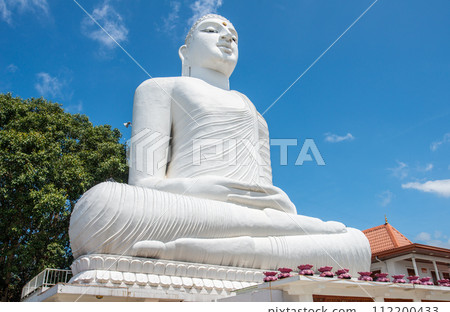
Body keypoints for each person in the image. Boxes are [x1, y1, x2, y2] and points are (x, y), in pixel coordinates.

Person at [69, 14, 370, 272]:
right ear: (185, 52)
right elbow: (144, 184)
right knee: (102, 206)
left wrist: (276, 206)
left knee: (355, 243)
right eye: (212, 30)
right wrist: (207, 190)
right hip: (188, 210)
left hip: (256, 216)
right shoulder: (160, 88)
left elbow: (265, 192)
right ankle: (279, 245)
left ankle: (203, 249)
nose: (226, 36)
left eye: (234, 36)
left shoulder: (254, 111)